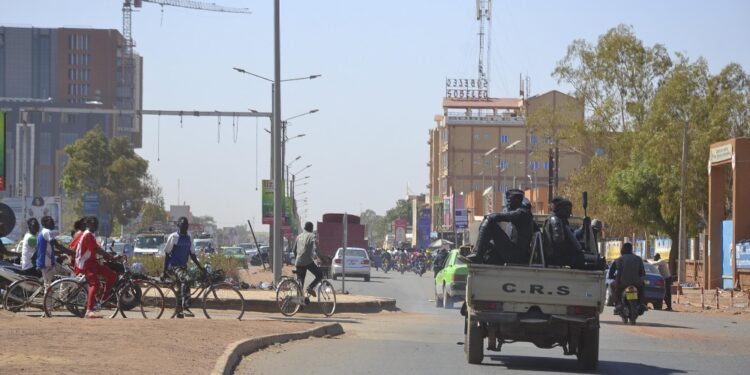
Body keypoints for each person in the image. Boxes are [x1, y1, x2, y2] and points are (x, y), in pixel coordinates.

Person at [463, 189, 534, 265]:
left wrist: (487, 218)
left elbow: (498, 217)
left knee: (490, 223)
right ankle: (480, 256)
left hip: (516, 256)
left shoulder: (522, 213)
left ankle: (477, 255)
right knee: (490, 245)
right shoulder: (525, 214)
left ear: (517, 201)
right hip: (516, 254)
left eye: (510, 202)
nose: (508, 205)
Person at [75, 216, 118, 319]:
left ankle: (103, 301)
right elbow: (97, 250)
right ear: (88, 224)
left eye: (96, 224)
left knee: (112, 276)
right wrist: (110, 257)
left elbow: (97, 249)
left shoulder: (91, 235)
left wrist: (109, 256)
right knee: (95, 284)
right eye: (93, 223)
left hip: (92, 262)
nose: (95, 225)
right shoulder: (88, 235)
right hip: (85, 264)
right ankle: (89, 311)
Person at [162, 217, 206, 318]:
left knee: (181, 287)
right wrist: (164, 271)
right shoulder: (173, 237)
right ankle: (185, 307)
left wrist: (200, 267)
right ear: (178, 226)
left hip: (183, 266)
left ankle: (179, 311)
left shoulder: (189, 236)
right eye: (182, 226)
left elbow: (192, 254)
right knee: (186, 280)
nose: (184, 228)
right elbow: (167, 254)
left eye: (186, 226)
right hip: (174, 266)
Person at [544, 198, 585, 268]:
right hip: (555, 258)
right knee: (583, 259)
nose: (570, 214)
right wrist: (574, 250)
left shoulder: (562, 222)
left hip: (558, 256)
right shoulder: (555, 221)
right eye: (567, 211)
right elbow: (560, 245)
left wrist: (583, 228)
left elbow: (573, 235)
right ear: (560, 209)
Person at [608, 242, 645, 313]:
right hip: (636, 283)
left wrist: (613, 277)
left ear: (623, 250)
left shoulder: (618, 259)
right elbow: (642, 273)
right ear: (631, 250)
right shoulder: (638, 259)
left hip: (622, 283)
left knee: (612, 286)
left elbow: (611, 273)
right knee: (642, 287)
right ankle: (641, 304)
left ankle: (618, 304)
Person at [292, 222, 322, 297]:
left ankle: (299, 305)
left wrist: (298, 259)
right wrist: (321, 257)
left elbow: (294, 250)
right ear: (311, 229)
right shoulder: (312, 235)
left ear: (304, 228)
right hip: (307, 261)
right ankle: (310, 287)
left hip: (298, 262)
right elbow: (316, 249)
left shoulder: (298, 236)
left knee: (300, 285)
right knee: (320, 275)